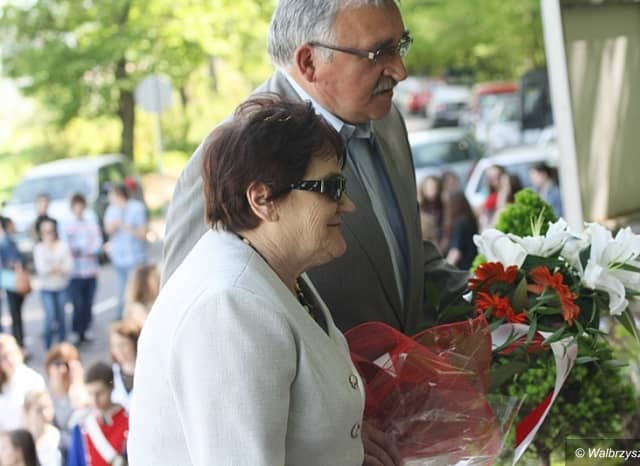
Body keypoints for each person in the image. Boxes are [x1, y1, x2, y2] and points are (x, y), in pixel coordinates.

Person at [160, 0, 470, 335]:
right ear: (309, 62)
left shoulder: (386, 118)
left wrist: (498, 292)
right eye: (379, 53)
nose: (400, 70)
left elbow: (404, 255)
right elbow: (187, 322)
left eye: (401, 46)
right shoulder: (224, 164)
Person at [129, 97, 400, 466]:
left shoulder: (264, 268)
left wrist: (339, 443)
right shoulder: (229, 306)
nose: (348, 204)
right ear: (263, 199)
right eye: (332, 188)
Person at [60, 193, 103, 345]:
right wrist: (82, 249)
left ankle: (86, 329)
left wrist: (83, 249)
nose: (78, 209)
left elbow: (97, 244)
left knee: (88, 303)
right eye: (76, 206)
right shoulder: (66, 225)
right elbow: (66, 246)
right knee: (77, 303)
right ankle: (76, 330)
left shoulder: (91, 224)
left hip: (90, 271)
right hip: (74, 273)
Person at [67, 362, 128, 466]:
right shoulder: (81, 425)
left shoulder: (129, 420)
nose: (94, 400)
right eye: (90, 394)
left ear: (111, 387)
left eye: (100, 393)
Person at [103, 184, 148, 320]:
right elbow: (107, 231)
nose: (109, 198)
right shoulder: (111, 210)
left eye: (111, 195)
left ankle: (136, 320)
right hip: (118, 258)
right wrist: (113, 226)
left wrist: (123, 224)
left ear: (119, 195)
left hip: (135, 258)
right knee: (121, 290)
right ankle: (122, 319)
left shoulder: (137, 208)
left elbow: (142, 234)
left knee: (135, 292)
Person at [43, 343, 89, 461]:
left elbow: (83, 413)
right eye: (57, 364)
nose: (62, 370)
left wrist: (77, 382)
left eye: (67, 365)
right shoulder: (45, 396)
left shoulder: (82, 393)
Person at [33, 219, 73, 350]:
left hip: (61, 286)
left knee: (62, 316)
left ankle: (63, 346)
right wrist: (57, 266)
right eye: (44, 232)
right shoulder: (39, 248)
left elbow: (68, 267)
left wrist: (53, 267)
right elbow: (41, 269)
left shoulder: (63, 246)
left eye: (50, 231)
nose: (48, 234)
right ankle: (48, 346)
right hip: (46, 288)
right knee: (49, 317)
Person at [0, 335, 45, 431]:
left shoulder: (33, 380)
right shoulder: (3, 384)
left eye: (11, 354)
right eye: (3, 357)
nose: (9, 360)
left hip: (27, 436)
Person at [0, 217, 29, 350]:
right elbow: (13, 261)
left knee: (15, 314)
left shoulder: (8, 240)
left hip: (12, 281)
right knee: (15, 314)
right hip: (13, 281)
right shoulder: (6, 241)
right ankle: (18, 344)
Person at [441, 191, 479, 271]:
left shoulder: (460, 223)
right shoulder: (470, 220)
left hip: (462, 270)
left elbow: (455, 252)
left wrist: (443, 271)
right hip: (472, 266)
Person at [108, 320, 140, 412]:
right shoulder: (112, 372)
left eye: (123, 345)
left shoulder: (145, 370)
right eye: (115, 345)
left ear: (134, 344)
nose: (119, 350)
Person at [23, 391, 62, 466]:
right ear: (27, 412)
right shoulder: (21, 442)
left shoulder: (59, 439)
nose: (45, 414)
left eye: (48, 407)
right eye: (39, 410)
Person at [417, 175, 443, 244]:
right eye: (429, 188)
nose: (432, 190)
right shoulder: (420, 206)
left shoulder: (444, 205)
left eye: (434, 187)